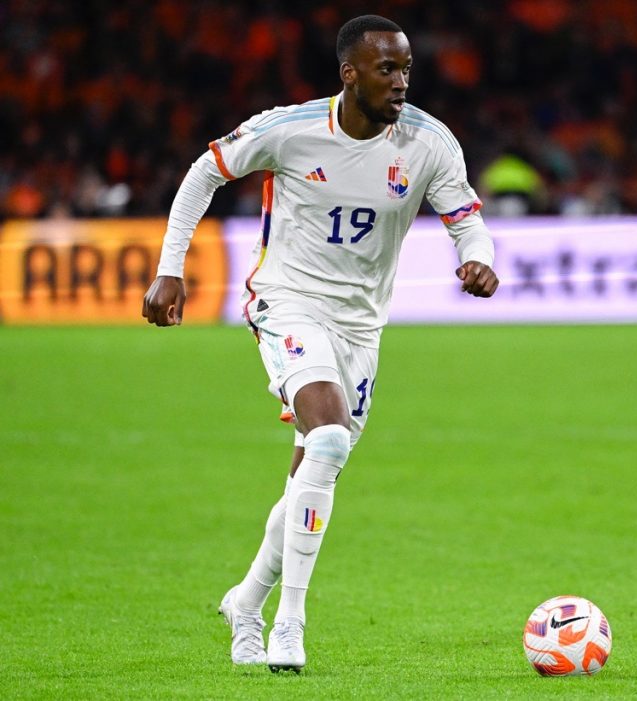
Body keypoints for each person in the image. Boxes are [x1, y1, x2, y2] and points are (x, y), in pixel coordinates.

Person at [142, 15, 499, 673]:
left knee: (315, 465)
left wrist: (478, 259)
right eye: (386, 69)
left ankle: (246, 601)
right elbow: (205, 171)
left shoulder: (428, 143)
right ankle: (290, 621)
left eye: (406, 69)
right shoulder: (292, 129)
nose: (401, 82)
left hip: (362, 326)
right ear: (350, 73)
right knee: (329, 437)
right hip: (288, 303)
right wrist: (171, 266)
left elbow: (465, 220)